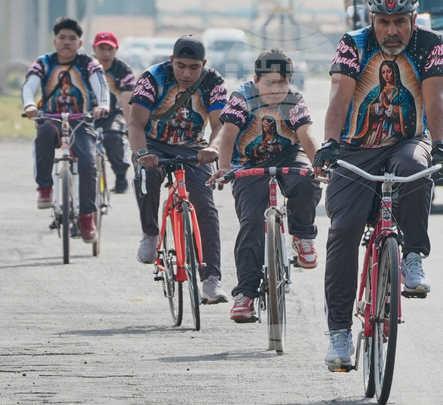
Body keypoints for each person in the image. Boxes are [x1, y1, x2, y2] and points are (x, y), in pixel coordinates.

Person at [312, 0, 443, 371]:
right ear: (371, 20)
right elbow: (340, 96)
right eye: (383, 22)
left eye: (400, 21)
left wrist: (441, 147)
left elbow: (434, 100)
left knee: (415, 168)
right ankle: (340, 334)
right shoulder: (353, 44)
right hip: (356, 149)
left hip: (404, 143)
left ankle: (412, 255)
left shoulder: (430, 45)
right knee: (342, 231)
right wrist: (329, 143)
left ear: (414, 19)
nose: (391, 31)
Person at [207, 48, 321, 323]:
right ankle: (245, 295)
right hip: (248, 161)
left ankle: (302, 236)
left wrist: (319, 164)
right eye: (269, 83)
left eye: (282, 83)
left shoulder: (294, 101)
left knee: (307, 183)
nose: (275, 89)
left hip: (287, 154)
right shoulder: (242, 98)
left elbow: (306, 134)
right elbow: (229, 134)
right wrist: (224, 167)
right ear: (256, 81)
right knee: (252, 222)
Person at [128, 34, 230, 304]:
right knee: (147, 175)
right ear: (171, 60)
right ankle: (150, 233)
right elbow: (135, 124)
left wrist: (214, 148)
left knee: (205, 206)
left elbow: (220, 125)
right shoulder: (152, 78)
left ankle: (211, 279)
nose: (186, 73)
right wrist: (141, 154)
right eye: (181, 66)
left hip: (193, 147)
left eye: (194, 68)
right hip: (153, 144)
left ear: (203, 64)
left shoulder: (213, 82)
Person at [23, 16, 109, 243]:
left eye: (72, 38)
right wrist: (29, 104)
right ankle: (45, 189)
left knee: (89, 164)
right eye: (62, 37)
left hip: (81, 121)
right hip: (50, 118)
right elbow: (30, 85)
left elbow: (101, 85)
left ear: (80, 44)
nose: (67, 42)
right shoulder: (43, 62)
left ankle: (87, 216)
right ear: (55, 41)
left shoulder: (89, 64)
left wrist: (102, 105)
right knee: (42, 136)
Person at [92, 31, 135, 193]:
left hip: (113, 114)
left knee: (113, 137)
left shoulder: (123, 70)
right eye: (101, 48)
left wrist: (130, 128)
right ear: (94, 49)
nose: (106, 53)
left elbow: (126, 101)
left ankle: (120, 173)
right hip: (87, 113)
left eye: (110, 49)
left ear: (116, 50)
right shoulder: (85, 66)